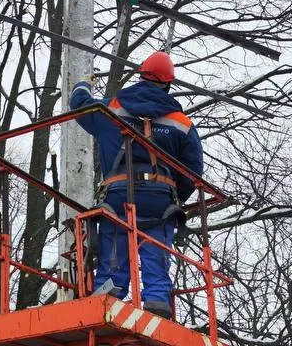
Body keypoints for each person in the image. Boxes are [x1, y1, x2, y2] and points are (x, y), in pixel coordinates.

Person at [69, 51, 202, 320]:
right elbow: (193, 171)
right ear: (168, 84)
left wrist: (84, 83)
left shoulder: (111, 108)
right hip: (159, 199)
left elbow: (79, 104)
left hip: (119, 196)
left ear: (141, 76)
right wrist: (174, 198)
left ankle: (108, 300)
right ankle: (157, 304)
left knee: (114, 255)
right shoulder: (181, 123)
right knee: (156, 255)